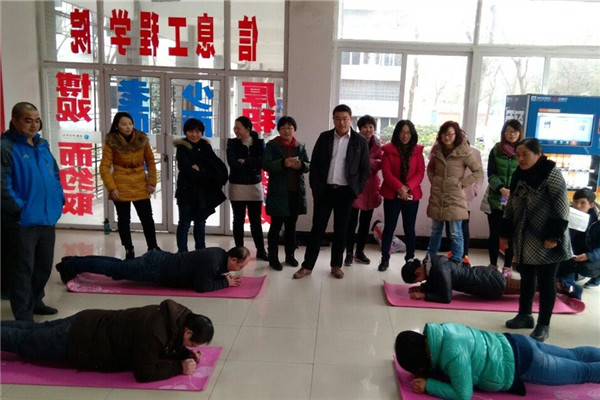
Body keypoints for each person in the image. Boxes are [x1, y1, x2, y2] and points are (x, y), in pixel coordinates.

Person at [1, 299, 214, 383]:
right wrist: (179, 367)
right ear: (187, 332)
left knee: (33, 330)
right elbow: (144, 373)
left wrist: (185, 353)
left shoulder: (174, 315)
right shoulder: (154, 333)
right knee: (23, 341)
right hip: (80, 340)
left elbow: (169, 341)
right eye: (192, 344)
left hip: (87, 320)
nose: (191, 347)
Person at [395, 322, 600, 400]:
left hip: (525, 363)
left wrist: (429, 385)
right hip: (517, 342)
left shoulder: (453, 355)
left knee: (583, 372)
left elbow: (463, 394)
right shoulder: (442, 331)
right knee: (574, 355)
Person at [500, 138, 571, 342]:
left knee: (547, 282)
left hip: (548, 237)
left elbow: (561, 205)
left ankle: (543, 324)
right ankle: (525, 315)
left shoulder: (551, 173)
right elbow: (511, 203)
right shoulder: (519, 173)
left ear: (538, 154)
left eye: (525, 154)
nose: (521, 159)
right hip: (524, 237)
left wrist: (553, 235)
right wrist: (505, 232)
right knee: (527, 278)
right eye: (518, 155)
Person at [0, 102, 64, 320]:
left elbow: (55, 175)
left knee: (43, 266)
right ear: (15, 121)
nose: (34, 125)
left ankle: (36, 301)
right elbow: (3, 184)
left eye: (37, 120)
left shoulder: (42, 145)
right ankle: (24, 317)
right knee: (22, 269)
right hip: (22, 221)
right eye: (28, 120)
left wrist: (59, 200)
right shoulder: (6, 147)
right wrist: (18, 209)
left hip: (46, 217)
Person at [293, 104, 370, 279]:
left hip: (346, 192)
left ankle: (336, 265)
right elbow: (315, 164)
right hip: (325, 191)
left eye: (345, 118)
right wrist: (315, 187)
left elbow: (365, 169)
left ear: (350, 120)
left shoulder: (359, 141)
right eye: (338, 118)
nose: (342, 122)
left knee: (341, 230)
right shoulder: (325, 137)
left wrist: (356, 190)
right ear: (333, 119)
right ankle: (307, 266)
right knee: (317, 229)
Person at [56, 246, 250, 293]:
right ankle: (70, 266)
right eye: (240, 266)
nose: (238, 270)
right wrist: (225, 283)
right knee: (115, 269)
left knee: (118, 265)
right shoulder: (213, 262)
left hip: (160, 260)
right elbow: (202, 286)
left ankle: (73, 261)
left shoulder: (219, 254)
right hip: (156, 268)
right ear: (233, 260)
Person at [100, 112, 158, 259]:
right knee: (124, 220)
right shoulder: (112, 142)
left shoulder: (141, 139)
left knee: (147, 218)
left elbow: (151, 162)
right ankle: (128, 248)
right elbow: (104, 167)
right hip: (120, 184)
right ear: (117, 126)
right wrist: (112, 187)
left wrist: (152, 182)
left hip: (140, 183)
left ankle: (153, 247)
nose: (128, 127)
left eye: (130, 124)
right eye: (124, 124)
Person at [426, 121, 483, 264]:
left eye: (450, 134)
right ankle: (430, 258)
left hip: (455, 197)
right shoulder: (437, 150)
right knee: (435, 231)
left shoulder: (463, 151)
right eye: (444, 134)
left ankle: (457, 260)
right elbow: (430, 168)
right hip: (438, 195)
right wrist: (434, 180)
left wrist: (462, 184)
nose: (447, 137)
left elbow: (478, 171)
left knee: (456, 232)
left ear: (456, 135)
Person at [262, 116, 310, 270]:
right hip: (278, 193)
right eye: (283, 128)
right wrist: (283, 163)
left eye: (290, 128)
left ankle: (290, 256)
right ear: (279, 130)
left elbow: (308, 165)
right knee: (275, 227)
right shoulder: (272, 145)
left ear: (294, 130)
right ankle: (273, 258)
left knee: (291, 227)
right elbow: (265, 164)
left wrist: (301, 165)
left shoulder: (300, 146)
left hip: (295, 192)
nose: (287, 131)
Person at [174, 118, 228, 252]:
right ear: (186, 132)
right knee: (184, 223)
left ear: (202, 133)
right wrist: (204, 171)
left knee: (200, 222)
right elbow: (185, 168)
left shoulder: (205, 146)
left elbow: (215, 165)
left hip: (202, 191)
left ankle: (201, 251)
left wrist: (201, 169)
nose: (194, 134)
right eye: (191, 131)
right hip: (186, 191)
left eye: (198, 132)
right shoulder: (182, 147)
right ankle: (183, 254)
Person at [378, 120, 425, 271]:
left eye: (408, 133)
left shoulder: (418, 151)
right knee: (389, 228)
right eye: (402, 132)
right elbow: (387, 173)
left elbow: (420, 173)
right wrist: (400, 188)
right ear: (397, 133)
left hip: (411, 196)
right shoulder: (388, 150)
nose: (405, 136)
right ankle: (385, 258)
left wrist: (407, 187)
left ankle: (410, 259)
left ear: (412, 134)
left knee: (409, 229)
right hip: (392, 195)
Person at [481, 119, 523, 270]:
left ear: (520, 133)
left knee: (511, 235)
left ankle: (507, 267)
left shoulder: (523, 151)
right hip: (496, 198)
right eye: (508, 131)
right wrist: (501, 188)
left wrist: (514, 190)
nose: (512, 134)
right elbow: (491, 174)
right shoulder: (496, 150)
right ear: (503, 133)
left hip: (516, 199)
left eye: (515, 131)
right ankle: (493, 265)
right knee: (494, 234)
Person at [227, 116, 268, 261]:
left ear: (247, 129)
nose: (235, 130)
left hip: (254, 186)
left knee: (255, 220)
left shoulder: (259, 143)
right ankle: (239, 251)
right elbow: (232, 163)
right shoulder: (232, 143)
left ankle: (261, 250)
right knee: (238, 220)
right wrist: (251, 163)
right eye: (235, 128)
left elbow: (262, 162)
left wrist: (244, 161)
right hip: (237, 186)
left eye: (238, 128)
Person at [345, 115, 383, 266]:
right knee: (351, 223)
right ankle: (348, 253)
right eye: (365, 127)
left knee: (365, 223)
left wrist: (365, 162)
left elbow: (381, 164)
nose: (368, 130)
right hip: (355, 187)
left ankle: (359, 252)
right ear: (359, 129)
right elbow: (350, 163)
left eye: (371, 127)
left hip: (371, 188)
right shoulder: (353, 142)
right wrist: (370, 164)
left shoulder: (378, 144)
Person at [401, 255, 514, 303]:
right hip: (484, 274)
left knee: (522, 288)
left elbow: (446, 297)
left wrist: (424, 295)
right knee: (523, 287)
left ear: (418, 272)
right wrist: (423, 288)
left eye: (419, 280)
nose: (421, 281)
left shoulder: (440, 269)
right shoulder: (431, 261)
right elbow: (436, 281)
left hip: (490, 284)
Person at [556, 188, 600, 298]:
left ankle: (597, 277)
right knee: (563, 276)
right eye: (575, 202)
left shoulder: (597, 222)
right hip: (573, 255)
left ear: (591, 205)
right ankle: (573, 289)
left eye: (583, 203)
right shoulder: (568, 213)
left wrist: (589, 255)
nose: (577, 206)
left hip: (590, 255)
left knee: (586, 268)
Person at [444, 141, 483, 265]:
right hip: (449, 194)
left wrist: (475, 190)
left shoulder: (475, 152)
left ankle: (464, 257)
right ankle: (452, 255)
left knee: (463, 227)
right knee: (449, 226)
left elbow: (479, 173)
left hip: (466, 194)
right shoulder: (447, 150)